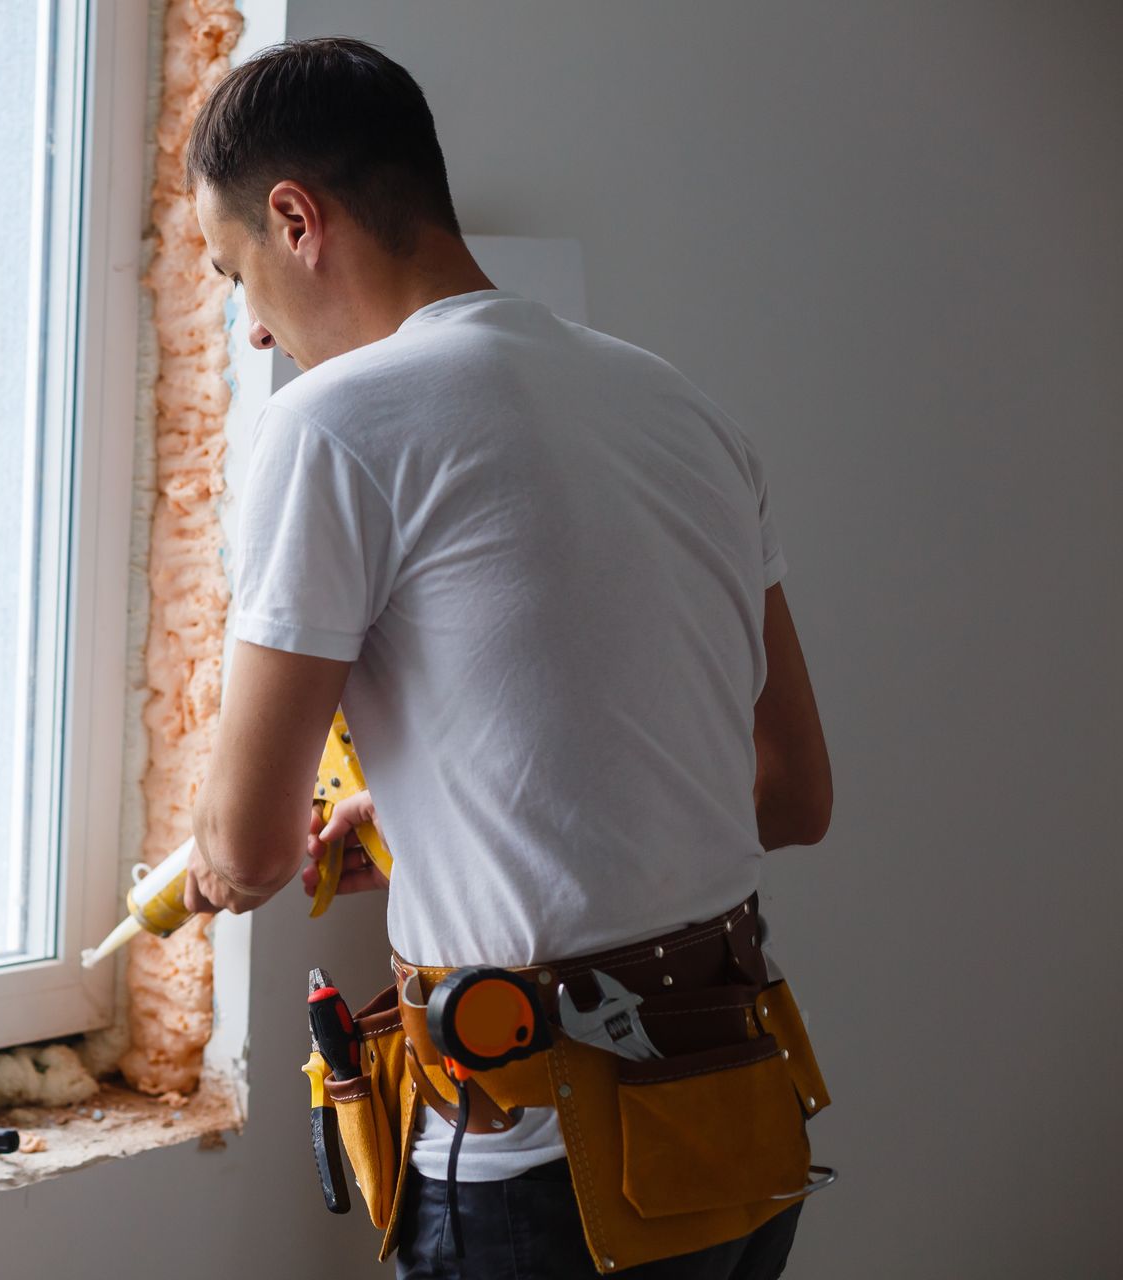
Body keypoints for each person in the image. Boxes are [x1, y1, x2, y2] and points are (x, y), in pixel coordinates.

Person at [175, 37, 833, 1280]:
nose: (251, 332)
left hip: (546, 1178)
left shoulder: (333, 424)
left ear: (296, 218)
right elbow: (793, 789)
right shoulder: (685, 410)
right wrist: (446, 811)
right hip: (741, 1130)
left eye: (234, 275)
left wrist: (214, 864)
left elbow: (253, 847)